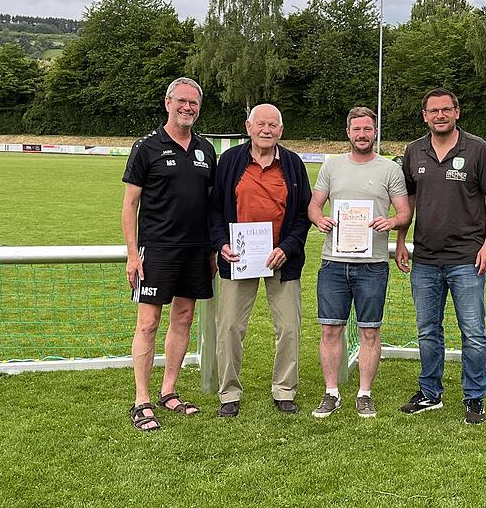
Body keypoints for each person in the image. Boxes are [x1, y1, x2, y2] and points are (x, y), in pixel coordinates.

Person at [395, 87, 486, 425]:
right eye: (433, 111)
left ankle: (475, 398)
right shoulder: (414, 151)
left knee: (473, 332)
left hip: (467, 259)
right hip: (425, 258)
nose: (439, 115)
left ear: (457, 112)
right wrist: (401, 240)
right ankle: (430, 393)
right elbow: (406, 203)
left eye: (445, 109)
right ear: (424, 116)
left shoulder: (478, 148)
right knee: (427, 329)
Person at [122, 76, 217, 432]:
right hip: (157, 249)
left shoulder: (206, 150)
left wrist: (210, 250)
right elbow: (129, 206)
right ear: (168, 103)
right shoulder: (146, 147)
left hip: (195, 250)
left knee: (183, 319)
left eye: (193, 103)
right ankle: (141, 400)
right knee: (148, 323)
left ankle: (169, 390)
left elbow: (210, 205)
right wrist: (133, 254)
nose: (187, 108)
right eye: (181, 101)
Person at [308, 107, 412, 418]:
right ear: (348, 132)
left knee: (369, 331)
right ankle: (332, 392)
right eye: (357, 129)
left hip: (372, 264)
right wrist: (319, 220)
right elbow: (314, 205)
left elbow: (405, 212)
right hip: (333, 263)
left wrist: (391, 222)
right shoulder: (332, 166)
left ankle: (364, 393)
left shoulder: (389, 170)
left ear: (375, 132)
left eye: (367, 129)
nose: (362, 134)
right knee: (330, 329)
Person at [209, 103, 311, 417]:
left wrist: (288, 248)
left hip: (281, 260)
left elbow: (303, 216)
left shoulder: (293, 164)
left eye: (273, 126)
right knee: (229, 328)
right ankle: (229, 394)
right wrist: (221, 244)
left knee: (289, 328)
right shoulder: (229, 161)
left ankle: (284, 390)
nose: (266, 130)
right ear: (248, 127)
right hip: (239, 259)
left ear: (281, 130)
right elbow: (214, 210)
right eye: (260, 124)